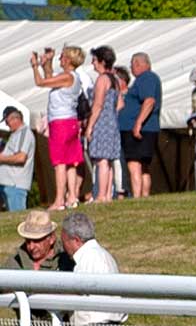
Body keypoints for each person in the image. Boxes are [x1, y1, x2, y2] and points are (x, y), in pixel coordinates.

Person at [29, 47, 83, 209]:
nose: (60, 59)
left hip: (60, 122)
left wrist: (34, 66)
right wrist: (48, 62)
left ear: (68, 60)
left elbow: (41, 82)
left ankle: (59, 199)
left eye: (61, 57)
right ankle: (72, 196)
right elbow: (50, 77)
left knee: (59, 162)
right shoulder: (72, 77)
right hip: (70, 121)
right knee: (70, 161)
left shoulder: (66, 77)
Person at [83, 47, 124, 203]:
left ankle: (101, 195)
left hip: (102, 122)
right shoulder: (115, 80)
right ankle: (107, 194)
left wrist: (90, 126)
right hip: (112, 122)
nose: (92, 63)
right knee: (109, 160)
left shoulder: (102, 79)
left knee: (102, 160)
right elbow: (120, 104)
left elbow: (98, 104)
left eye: (94, 60)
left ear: (101, 61)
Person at [0, 107, 32, 212]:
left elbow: (21, 157)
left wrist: (1, 158)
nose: (6, 125)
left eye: (7, 121)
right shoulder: (16, 134)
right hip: (8, 184)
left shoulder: (24, 133)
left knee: (18, 219)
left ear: (15, 118)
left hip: (15, 185)